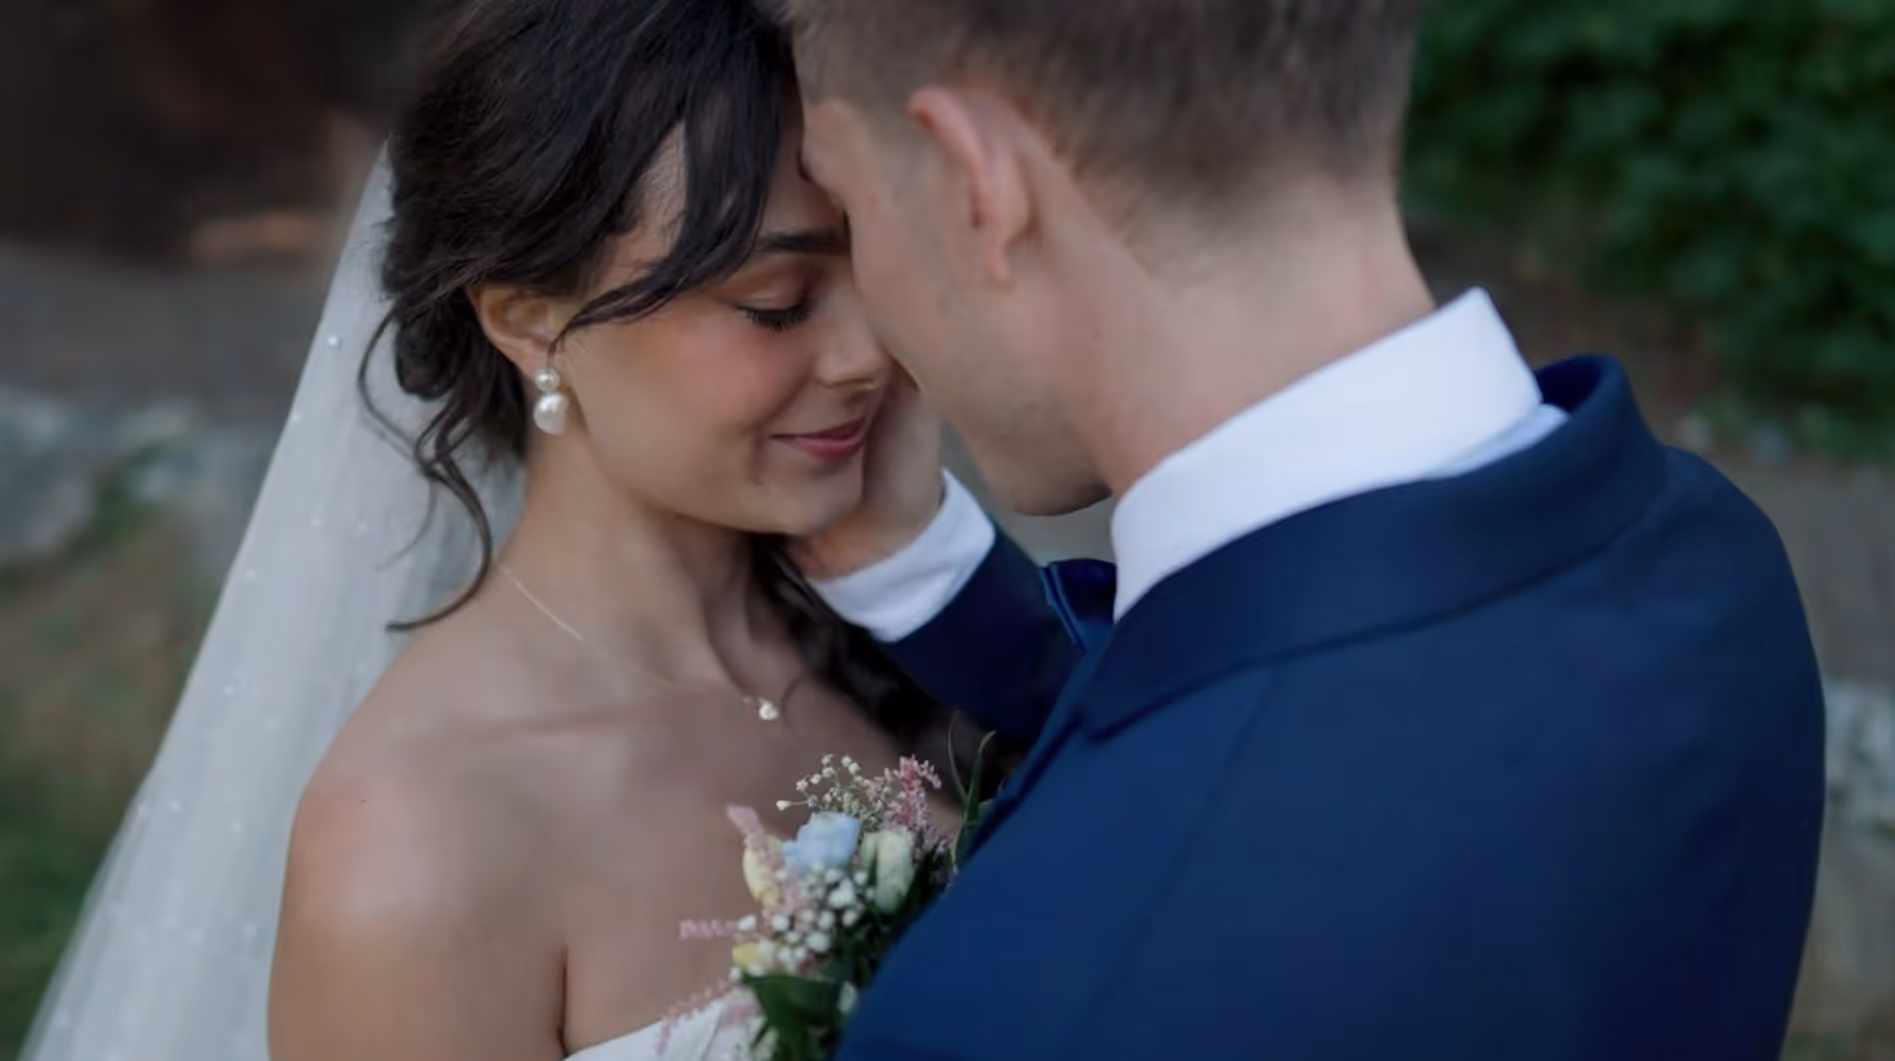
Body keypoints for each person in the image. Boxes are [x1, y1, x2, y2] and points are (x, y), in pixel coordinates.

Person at [774, 2, 1831, 1058]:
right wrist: (925, 576)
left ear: (976, 185)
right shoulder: (1712, 559)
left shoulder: (1022, 1003)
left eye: (852, 208)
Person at [24, 2, 1000, 1060]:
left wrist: (926, 569)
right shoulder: (424, 839)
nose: (866, 352)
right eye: (776, 299)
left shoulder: (924, 635)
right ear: (530, 320)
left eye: (878, 265)